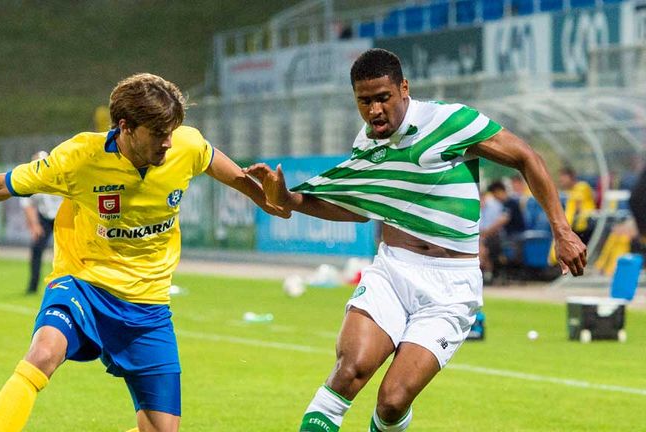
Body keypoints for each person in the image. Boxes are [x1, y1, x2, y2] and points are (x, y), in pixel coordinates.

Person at [0, 73, 287, 432]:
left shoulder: (186, 144)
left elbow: (242, 181)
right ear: (126, 127)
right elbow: (1, 185)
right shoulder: (79, 159)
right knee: (43, 352)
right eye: (158, 133)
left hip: (148, 307)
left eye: (172, 131)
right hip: (84, 285)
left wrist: (271, 199)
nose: (168, 142)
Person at [246, 48, 586, 432]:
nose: (374, 110)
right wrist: (289, 201)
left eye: (382, 98)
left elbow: (527, 157)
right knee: (349, 371)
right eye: (364, 101)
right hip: (393, 271)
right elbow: (359, 209)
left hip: (451, 286)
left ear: (404, 88)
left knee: (391, 402)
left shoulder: (450, 121)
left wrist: (561, 229)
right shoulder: (368, 144)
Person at [21, 151, 63, 295]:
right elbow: (28, 205)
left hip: (61, 217)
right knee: (37, 249)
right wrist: (35, 224)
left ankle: (64, 284)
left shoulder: (59, 177)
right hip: (44, 217)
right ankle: (32, 286)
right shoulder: (32, 181)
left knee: (64, 252)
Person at [558, 166, 596, 245]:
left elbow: (576, 209)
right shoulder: (570, 192)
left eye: (563, 177)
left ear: (571, 177)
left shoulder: (581, 187)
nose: (561, 180)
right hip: (575, 228)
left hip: (584, 228)